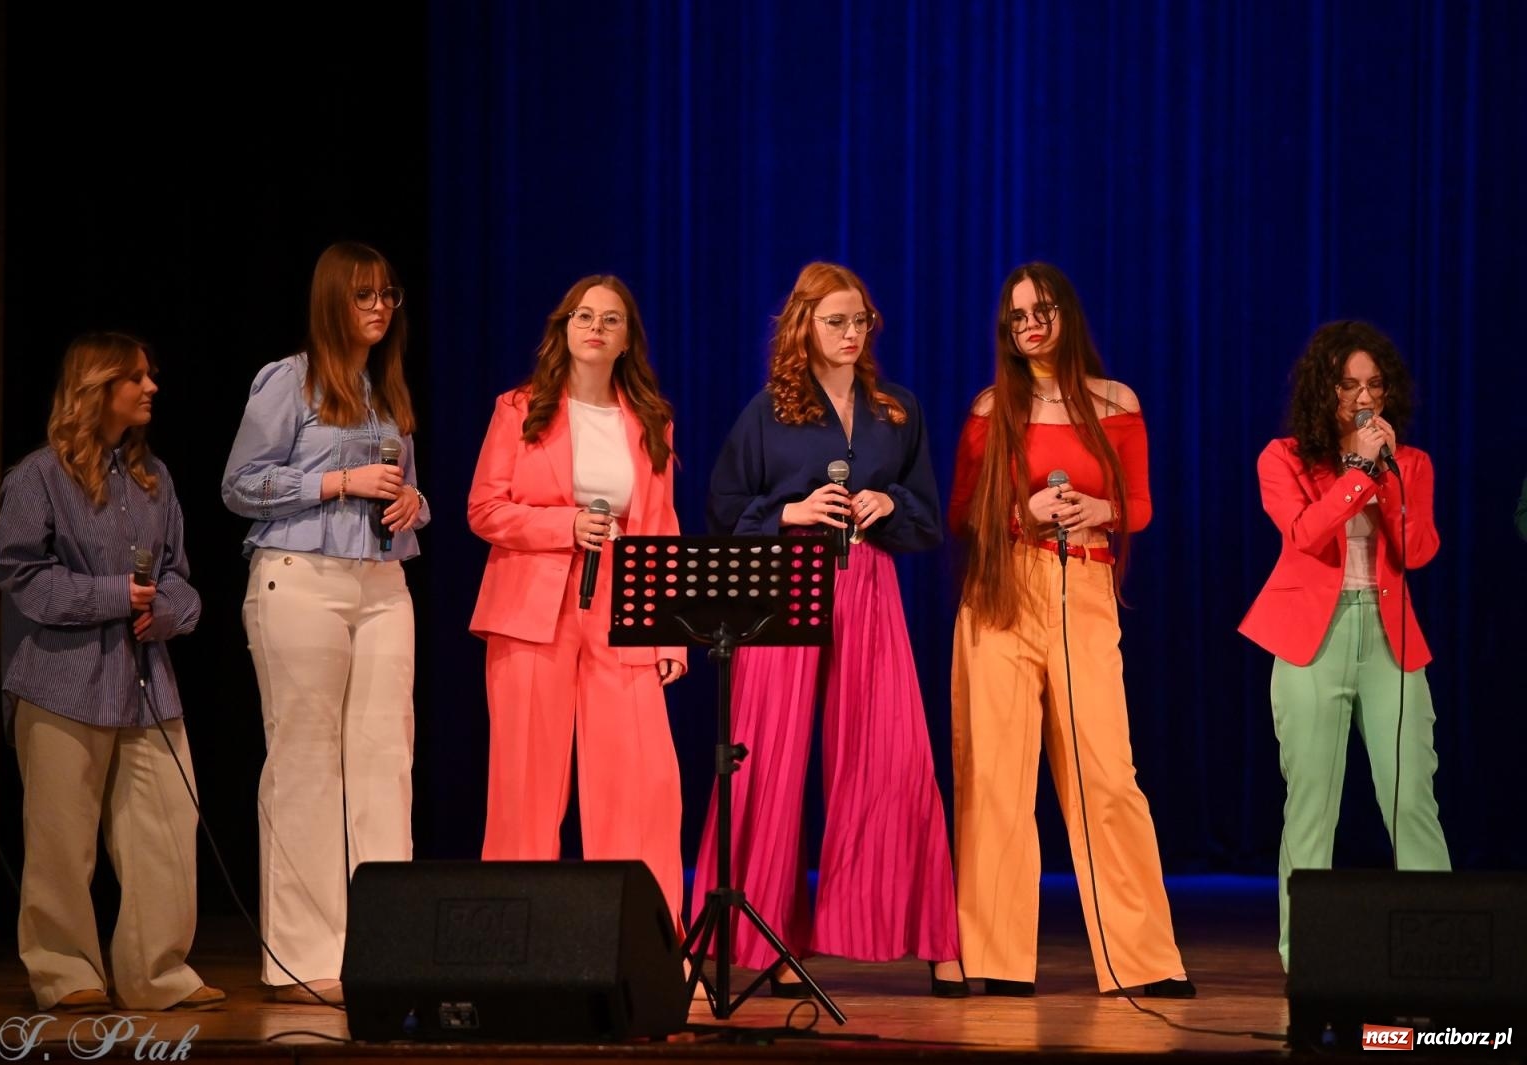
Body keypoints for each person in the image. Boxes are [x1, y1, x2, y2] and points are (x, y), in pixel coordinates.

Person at [691, 261, 965, 998]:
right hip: (786, 588)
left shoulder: (895, 409)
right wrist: (789, 513)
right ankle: (762, 940)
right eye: (836, 320)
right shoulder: (769, 412)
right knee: (766, 763)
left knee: (895, 757)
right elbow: (723, 508)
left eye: (861, 321)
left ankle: (932, 940)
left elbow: (929, 520)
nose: (851, 334)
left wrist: (889, 504)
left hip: (868, 590)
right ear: (803, 326)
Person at [947, 262, 1192, 997]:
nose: (1030, 324)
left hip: (1082, 583)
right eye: (1017, 315)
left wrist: (1102, 510)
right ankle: (994, 959)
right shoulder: (993, 408)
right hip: (1004, 587)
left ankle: (1142, 960)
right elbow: (960, 513)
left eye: (1042, 309)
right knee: (995, 775)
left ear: (1066, 314)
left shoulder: (1115, 402)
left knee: (1107, 774)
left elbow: (1141, 503)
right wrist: (1020, 513)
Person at [221, 242, 430, 1005]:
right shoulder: (291, 379)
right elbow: (238, 484)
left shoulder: (384, 390)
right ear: (332, 302)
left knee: (384, 762)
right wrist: (336, 479)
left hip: (381, 582)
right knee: (307, 764)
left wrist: (415, 502)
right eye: (364, 296)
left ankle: (388, 946)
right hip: (300, 579)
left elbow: (405, 489)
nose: (378, 309)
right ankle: (305, 957)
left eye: (389, 296)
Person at [0, 332, 223, 1013]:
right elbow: (20, 576)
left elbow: (180, 578)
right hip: (60, 684)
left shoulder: (156, 480)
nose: (152, 386)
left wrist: (170, 612)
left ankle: (157, 974)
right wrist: (117, 596)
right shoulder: (36, 478)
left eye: (151, 375)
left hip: (147, 685)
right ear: (98, 386)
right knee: (62, 841)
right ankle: (66, 973)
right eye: (136, 376)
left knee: (165, 832)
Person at [468, 274, 687, 926]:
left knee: (641, 784)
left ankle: (645, 940)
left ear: (626, 339)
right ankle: (510, 938)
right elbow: (484, 507)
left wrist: (669, 633)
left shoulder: (651, 421)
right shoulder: (519, 408)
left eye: (611, 319)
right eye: (584, 315)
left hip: (620, 614)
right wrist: (562, 525)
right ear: (564, 327)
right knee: (526, 788)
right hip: (532, 610)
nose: (596, 326)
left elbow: (660, 531)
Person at [1239, 320, 1450, 971]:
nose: (1364, 397)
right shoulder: (1283, 458)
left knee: (1411, 794)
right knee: (1311, 803)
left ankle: (1441, 947)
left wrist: (1382, 473)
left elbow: (1418, 549)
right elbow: (1305, 533)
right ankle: (1304, 955)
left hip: (1390, 639)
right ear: (1324, 390)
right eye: (1350, 384)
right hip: (1312, 640)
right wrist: (1356, 469)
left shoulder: (1410, 462)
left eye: (1375, 384)